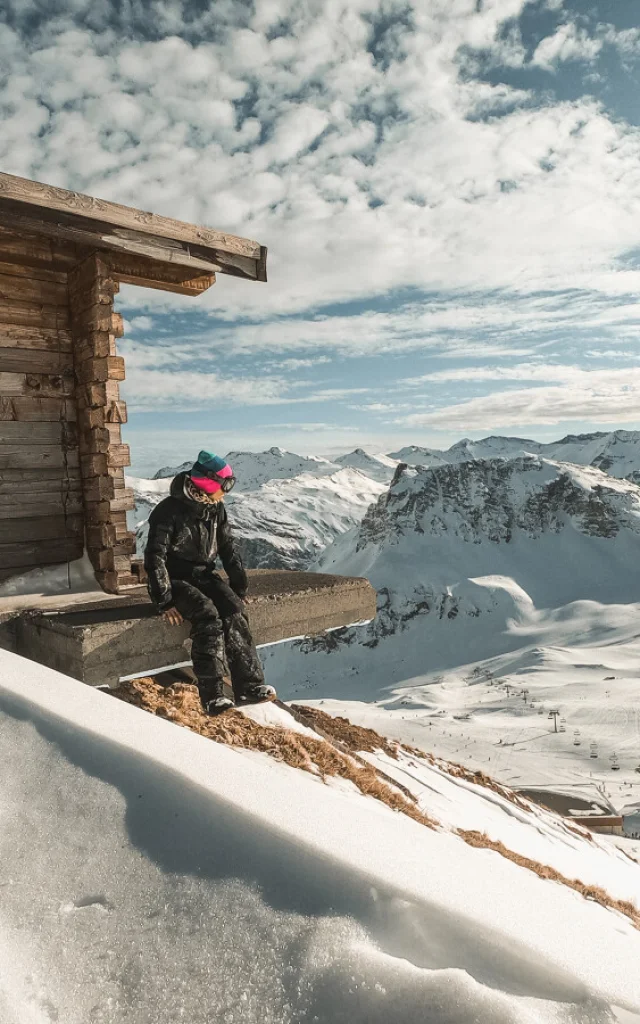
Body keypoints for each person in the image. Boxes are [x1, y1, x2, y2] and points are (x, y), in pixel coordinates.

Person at [144, 450, 275, 714]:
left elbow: (227, 547)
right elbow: (155, 556)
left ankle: (249, 687)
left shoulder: (215, 509)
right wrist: (164, 599)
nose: (225, 493)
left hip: (204, 575)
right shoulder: (168, 511)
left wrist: (239, 587)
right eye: (223, 486)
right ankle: (213, 696)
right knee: (208, 616)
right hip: (175, 579)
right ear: (206, 481)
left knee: (235, 611)